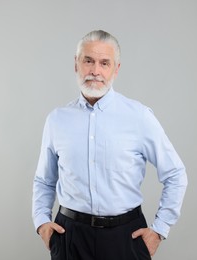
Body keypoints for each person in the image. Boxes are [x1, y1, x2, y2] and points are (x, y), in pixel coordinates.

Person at [32, 30, 188, 260]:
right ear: (76, 64)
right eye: (89, 61)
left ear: (116, 69)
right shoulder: (57, 120)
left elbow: (175, 174)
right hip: (70, 237)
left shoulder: (139, 117)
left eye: (104, 63)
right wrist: (42, 222)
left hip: (126, 238)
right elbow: (44, 180)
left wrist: (160, 229)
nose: (95, 71)